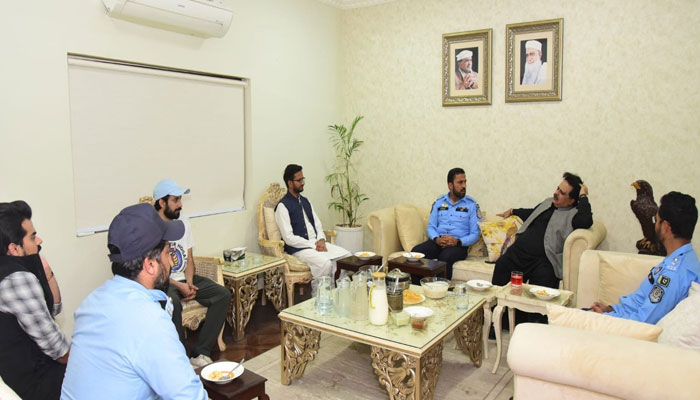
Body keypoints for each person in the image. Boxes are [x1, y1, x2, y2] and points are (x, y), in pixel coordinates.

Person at [61, 203, 207, 400]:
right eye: (167, 253)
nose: (171, 262)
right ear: (150, 265)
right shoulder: (149, 321)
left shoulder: (91, 303)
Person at [153, 179, 231, 368]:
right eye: (175, 200)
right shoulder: (151, 228)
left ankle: (200, 352)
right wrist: (179, 286)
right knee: (173, 303)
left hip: (183, 278)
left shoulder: (184, 223)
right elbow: (154, 270)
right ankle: (179, 360)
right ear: (162, 202)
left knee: (222, 294)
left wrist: (189, 283)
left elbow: (189, 259)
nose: (180, 204)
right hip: (163, 281)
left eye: (180, 199)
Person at [591, 192, 699, 324]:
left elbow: (644, 321)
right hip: (621, 318)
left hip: (630, 330)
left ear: (665, 227)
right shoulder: (682, 259)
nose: (655, 225)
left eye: (656, 220)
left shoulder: (673, 274)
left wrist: (605, 317)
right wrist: (611, 310)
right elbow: (640, 302)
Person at [0, 201, 69, 400]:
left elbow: (54, 308)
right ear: (14, 248)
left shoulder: (9, 269)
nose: (39, 240)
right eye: (32, 237)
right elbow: (58, 350)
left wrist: (45, 271)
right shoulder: (17, 279)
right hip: (35, 383)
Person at [491, 172, 592, 290]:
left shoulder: (574, 214)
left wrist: (583, 196)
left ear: (571, 201)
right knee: (502, 265)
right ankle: (498, 302)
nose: (556, 193)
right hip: (519, 252)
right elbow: (533, 212)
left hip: (544, 260)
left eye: (562, 193)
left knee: (543, 285)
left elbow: (586, 221)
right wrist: (513, 211)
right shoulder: (548, 202)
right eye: (558, 188)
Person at [275, 164, 350, 296]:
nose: (303, 182)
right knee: (325, 264)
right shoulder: (282, 206)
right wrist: (313, 244)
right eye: (299, 180)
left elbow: (318, 224)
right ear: (290, 183)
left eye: (303, 179)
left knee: (347, 257)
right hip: (299, 249)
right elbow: (288, 238)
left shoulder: (306, 201)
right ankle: (318, 297)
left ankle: (339, 294)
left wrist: (321, 239)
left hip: (316, 244)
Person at [411, 168, 481, 279]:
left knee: (445, 257)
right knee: (416, 253)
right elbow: (431, 227)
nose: (464, 186)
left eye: (465, 182)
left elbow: (475, 234)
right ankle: (417, 287)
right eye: (460, 182)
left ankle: (440, 288)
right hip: (438, 242)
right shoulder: (439, 202)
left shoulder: (471, 205)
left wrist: (457, 241)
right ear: (450, 185)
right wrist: (436, 239)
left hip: (458, 246)